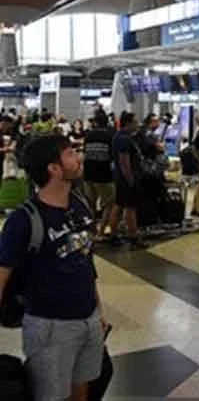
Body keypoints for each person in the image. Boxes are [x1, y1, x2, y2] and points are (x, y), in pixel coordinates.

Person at [0, 134, 107, 401]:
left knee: (82, 390)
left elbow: (86, 261)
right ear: (54, 168)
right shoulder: (24, 220)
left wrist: (98, 311)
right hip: (50, 327)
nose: (79, 157)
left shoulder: (81, 206)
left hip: (88, 320)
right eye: (71, 153)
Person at [107, 112, 146, 248]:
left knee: (118, 205)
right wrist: (131, 180)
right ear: (128, 123)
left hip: (119, 178)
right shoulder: (124, 139)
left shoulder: (118, 136)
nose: (137, 124)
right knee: (130, 208)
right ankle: (133, 237)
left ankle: (113, 235)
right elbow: (124, 162)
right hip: (126, 179)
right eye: (135, 122)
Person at [82, 112, 115, 238]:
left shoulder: (89, 135)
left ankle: (91, 231)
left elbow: (85, 152)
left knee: (91, 204)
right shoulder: (110, 135)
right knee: (109, 204)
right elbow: (112, 156)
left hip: (88, 174)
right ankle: (101, 232)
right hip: (103, 174)